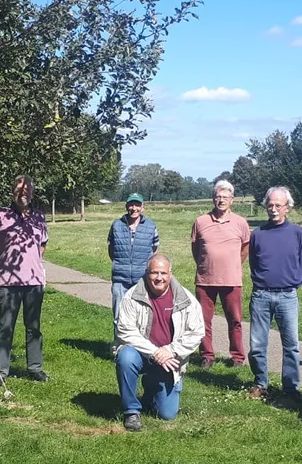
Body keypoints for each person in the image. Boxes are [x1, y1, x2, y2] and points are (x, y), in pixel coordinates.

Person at [115, 254, 205, 431]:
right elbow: (125, 330)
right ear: (146, 273)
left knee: (167, 414)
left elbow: (197, 332)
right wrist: (155, 352)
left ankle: (150, 390)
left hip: (169, 359)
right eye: (154, 273)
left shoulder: (186, 299)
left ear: (170, 274)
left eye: (163, 273)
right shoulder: (132, 296)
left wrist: (170, 350)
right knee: (125, 357)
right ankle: (131, 411)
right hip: (140, 354)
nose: (159, 278)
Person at [246, 186, 302, 400]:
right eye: (270, 205)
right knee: (257, 345)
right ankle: (260, 383)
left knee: (291, 345)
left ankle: (290, 388)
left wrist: (294, 283)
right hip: (261, 296)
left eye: (278, 205)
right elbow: (253, 263)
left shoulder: (297, 233)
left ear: (287, 207)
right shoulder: (258, 234)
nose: (273, 209)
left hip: (287, 296)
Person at [0, 175, 49, 386]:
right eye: (19, 189)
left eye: (27, 190)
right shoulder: (1, 215)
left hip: (34, 281)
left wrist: (33, 263)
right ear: (13, 191)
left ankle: (35, 368)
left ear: (32, 193)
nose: (23, 193)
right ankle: (0, 372)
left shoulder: (39, 217)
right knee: (5, 327)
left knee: (33, 327)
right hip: (8, 281)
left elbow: (42, 245)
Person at [190, 179, 251, 369]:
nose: (221, 200)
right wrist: (206, 264)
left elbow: (245, 248)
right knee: (203, 320)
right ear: (213, 199)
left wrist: (232, 264)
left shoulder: (240, 222)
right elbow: (196, 249)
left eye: (225, 197)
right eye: (218, 197)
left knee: (235, 320)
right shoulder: (201, 221)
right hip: (205, 280)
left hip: (231, 280)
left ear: (232, 200)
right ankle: (207, 355)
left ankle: (237, 357)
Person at [108, 193, 160, 321]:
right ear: (126, 206)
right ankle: (120, 336)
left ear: (142, 207)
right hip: (120, 280)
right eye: (131, 205)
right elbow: (111, 250)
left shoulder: (150, 226)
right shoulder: (116, 225)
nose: (134, 208)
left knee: (141, 318)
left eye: (137, 205)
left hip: (142, 279)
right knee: (119, 318)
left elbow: (154, 249)